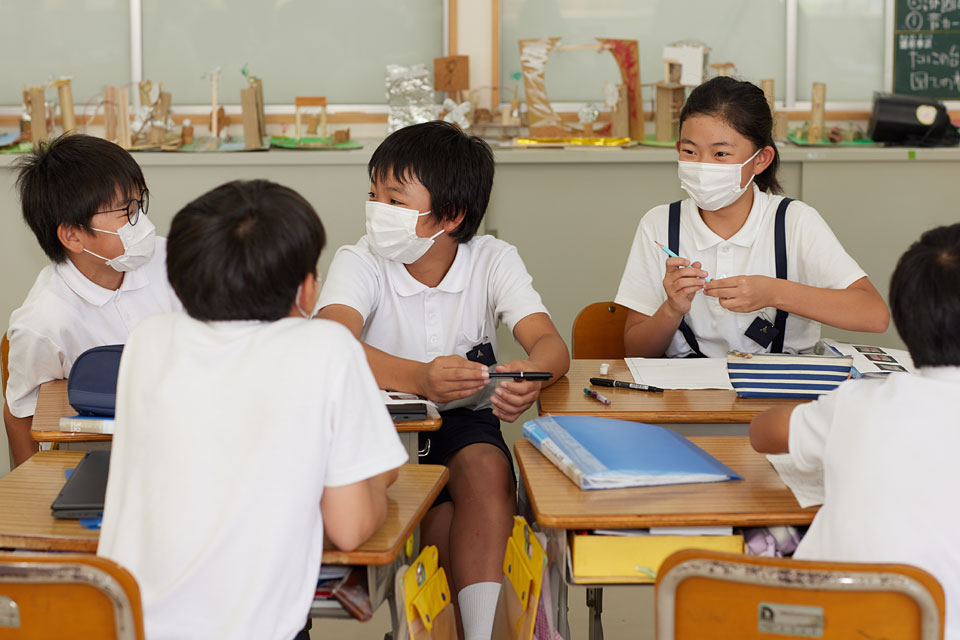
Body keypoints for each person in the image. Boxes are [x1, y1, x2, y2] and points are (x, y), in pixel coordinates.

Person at [97, 180, 406, 640]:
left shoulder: (149, 338)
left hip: (124, 624)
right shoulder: (325, 346)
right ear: (307, 290)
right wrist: (378, 480)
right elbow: (349, 527)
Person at [317, 121, 570, 640]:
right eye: (374, 194)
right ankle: (468, 627)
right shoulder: (361, 260)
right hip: (383, 430)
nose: (376, 209)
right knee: (440, 523)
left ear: (451, 215)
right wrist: (419, 378)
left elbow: (550, 345)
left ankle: (478, 634)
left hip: (464, 423)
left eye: (395, 199)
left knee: (487, 471)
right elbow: (329, 342)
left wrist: (530, 378)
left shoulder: (492, 260)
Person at [750, 222, 960, 639]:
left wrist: (835, 413)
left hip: (834, 623)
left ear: (905, 320)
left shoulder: (858, 404)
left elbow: (762, 432)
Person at [615, 76, 889, 358]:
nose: (703, 166)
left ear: (761, 159)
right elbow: (636, 351)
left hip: (782, 382)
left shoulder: (794, 221)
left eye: (721, 153)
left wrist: (774, 293)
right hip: (688, 385)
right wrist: (672, 309)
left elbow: (874, 315)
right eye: (690, 151)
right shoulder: (660, 225)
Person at [4, 134, 181, 466]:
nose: (141, 222)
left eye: (139, 204)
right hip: (101, 451)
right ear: (73, 235)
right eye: (126, 211)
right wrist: (36, 484)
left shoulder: (171, 259)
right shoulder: (44, 322)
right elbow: (20, 414)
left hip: (180, 428)